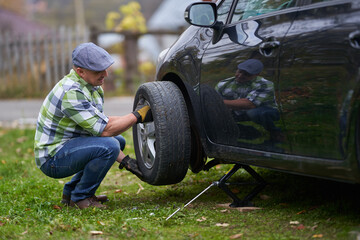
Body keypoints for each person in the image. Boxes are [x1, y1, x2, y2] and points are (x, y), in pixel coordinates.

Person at [34, 42, 151, 209]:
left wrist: (127, 162)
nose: (105, 74)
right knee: (110, 144)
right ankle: (81, 197)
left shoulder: (92, 87)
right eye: (98, 71)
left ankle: (72, 191)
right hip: (52, 158)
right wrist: (138, 116)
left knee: (117, 141)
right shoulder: (71, 92)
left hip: (67, 147)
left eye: (105, 68)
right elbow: (105, 130)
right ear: (80, 71)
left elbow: (99, 125)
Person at [215, 59, 282, 141]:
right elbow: (213, 102)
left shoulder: (265, 84)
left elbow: (249, 104)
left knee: (254, 113)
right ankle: (247, 132)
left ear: (257, 74)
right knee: (213, 117)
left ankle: (275, 132)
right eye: (239, 72)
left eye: (246, 74)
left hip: (264, 111)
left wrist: (219, 102)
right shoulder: (224, 84)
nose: (240, 76)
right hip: (236, 111)